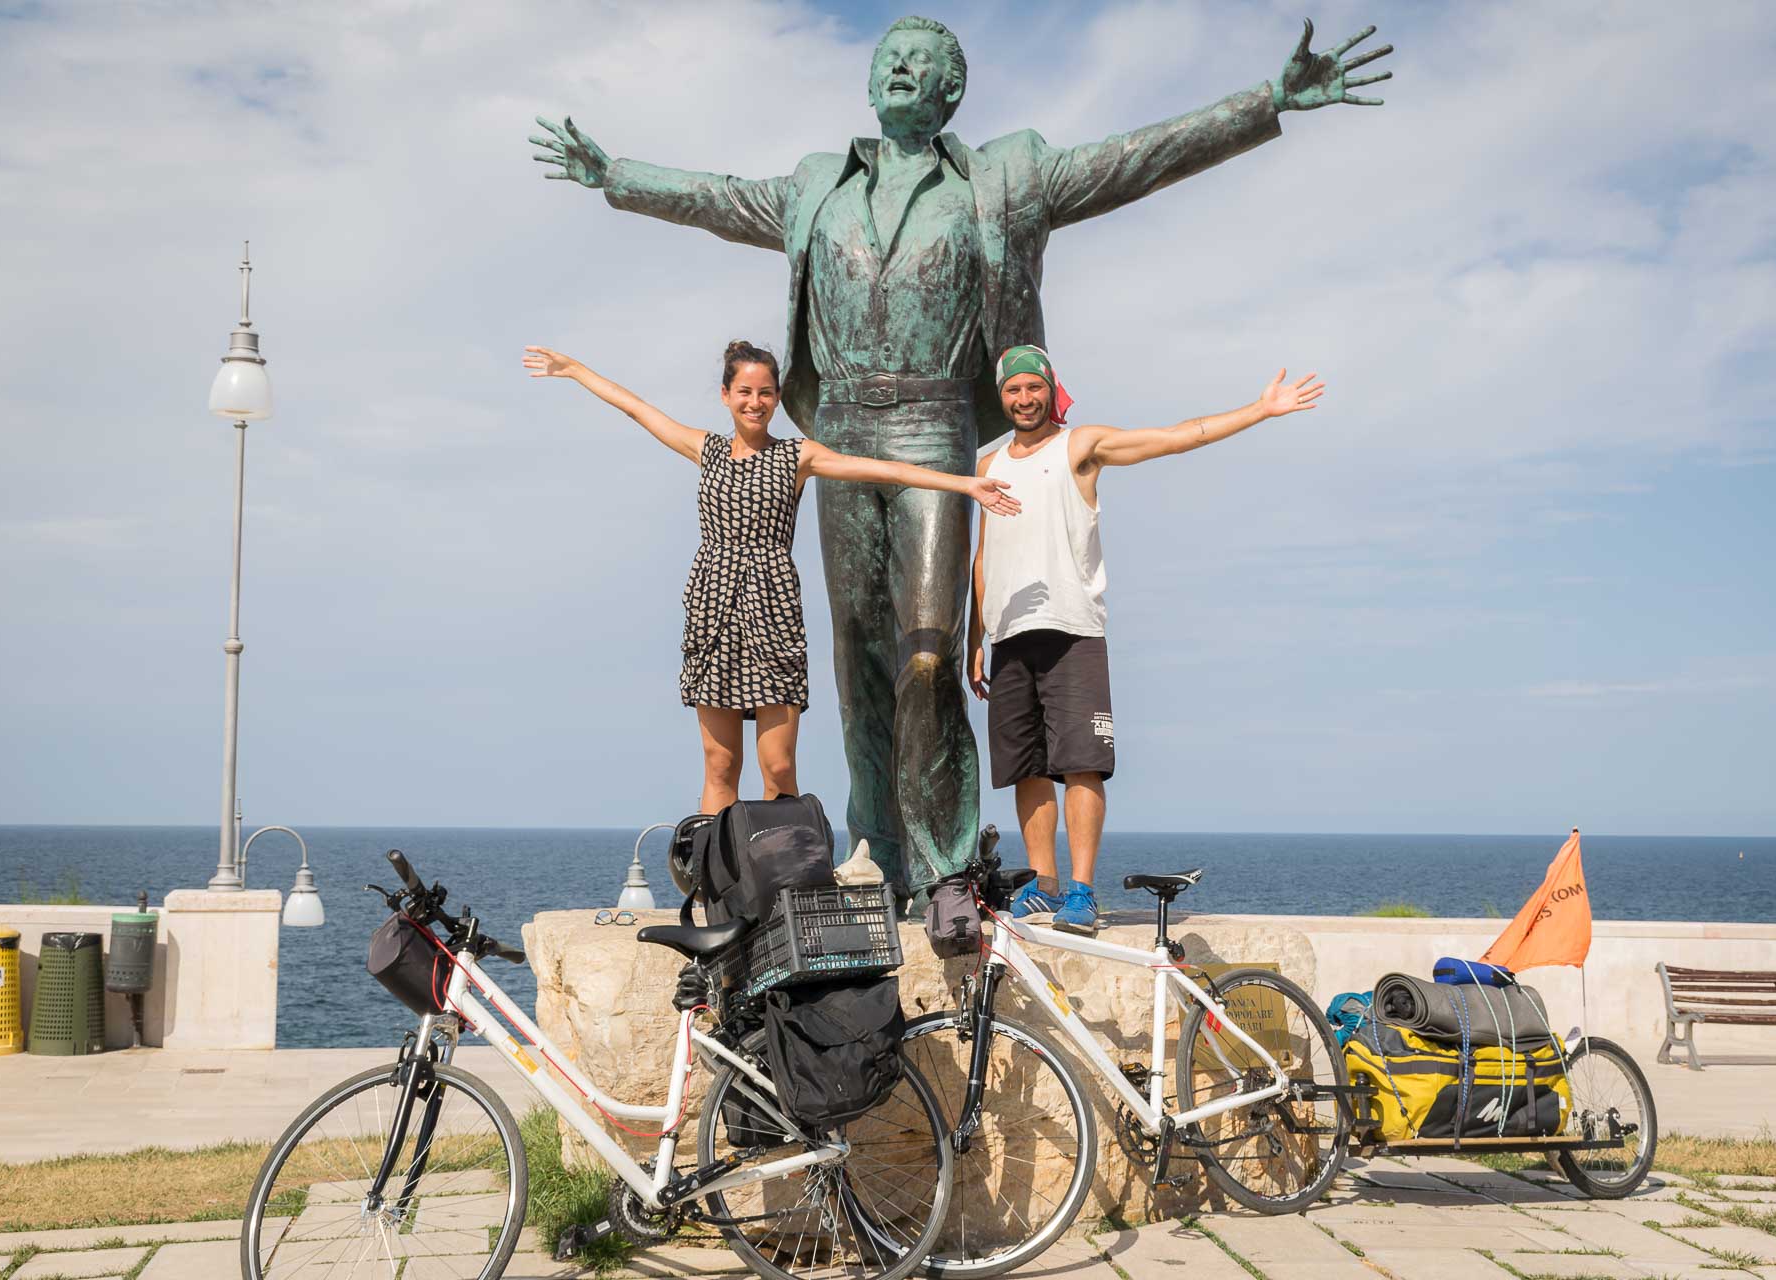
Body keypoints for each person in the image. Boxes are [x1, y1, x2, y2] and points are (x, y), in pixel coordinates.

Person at [530, 15, 1392, 896]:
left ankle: (944, 862)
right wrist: (615, 176)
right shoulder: (814, 187)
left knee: (928, 647)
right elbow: (710, 197)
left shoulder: (1003, 179)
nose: (902, 69)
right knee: (858, 652)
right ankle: (879, 848)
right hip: (839, 435)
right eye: (889, 59)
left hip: (935, 429)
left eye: (924, 63)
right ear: (872, 85)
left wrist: (1268, 102)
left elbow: (1138, 158)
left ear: (951, 93)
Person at [525, 340, 1019, 813]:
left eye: (765, 393)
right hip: (713, 606)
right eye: (744, 392)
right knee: (720, 764)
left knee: (778, 765)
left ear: (777, 398)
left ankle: (778, 878)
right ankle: (719, 886)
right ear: (726, 396)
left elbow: (883, 468)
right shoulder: (707, 450)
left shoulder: (796, 456)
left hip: (772, 605)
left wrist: (964, 483)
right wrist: (574, 371)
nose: (755, 402)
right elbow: (636, 408)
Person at [966, 346, 1323, 934]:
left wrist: (1259, 410)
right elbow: (984, 555)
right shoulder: (987, 465)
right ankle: (1044, 886)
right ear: (1000, 396)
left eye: (1034, 387)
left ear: (1051, 390)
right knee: (1024, 768)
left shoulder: (1080, 445)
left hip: (1072, 628)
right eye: (1012, 390)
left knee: (1082, 764)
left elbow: (1175, 437)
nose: (1024, 399)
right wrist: (976, 635)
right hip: (1007, 635)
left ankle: (1081, 891)